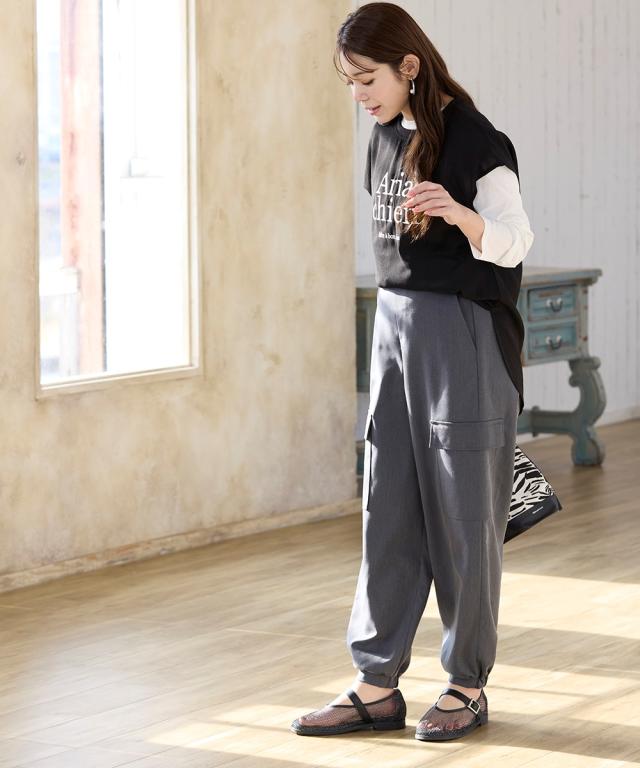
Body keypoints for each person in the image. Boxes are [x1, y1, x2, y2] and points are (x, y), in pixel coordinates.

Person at [291, 1, 534, 742]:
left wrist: (461, 214)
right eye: (350, 82)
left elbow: (516, 240)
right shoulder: (385, 135)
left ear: (409, 66)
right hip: (393, 327)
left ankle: (467, 684)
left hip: (461, 332)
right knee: (387, 503)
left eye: (367, 78)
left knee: (465, 514)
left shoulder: (476, 139)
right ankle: (377, 683)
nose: (359, 94)